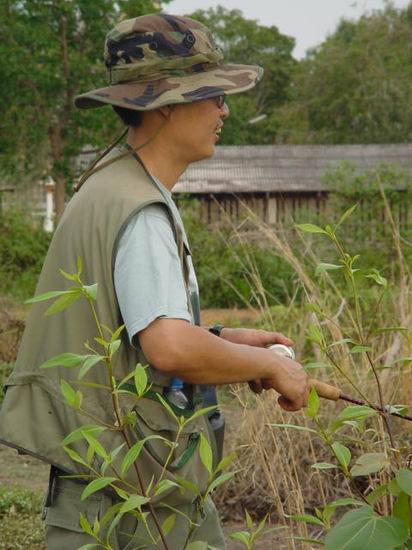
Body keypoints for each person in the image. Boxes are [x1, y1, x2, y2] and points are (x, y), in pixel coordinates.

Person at [0, 13, 309, 549]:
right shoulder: (137, 207)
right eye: (211, 95)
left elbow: (134, 336)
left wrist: (221, 342)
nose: (223, 109)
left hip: (123, 490)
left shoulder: (115, 185)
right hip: (129, 507)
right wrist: (265, 366)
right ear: (165, 106)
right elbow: (165, 347)